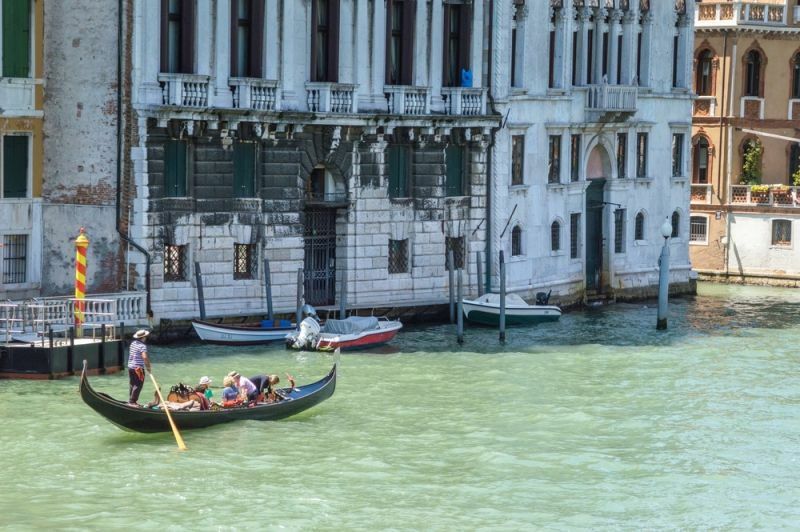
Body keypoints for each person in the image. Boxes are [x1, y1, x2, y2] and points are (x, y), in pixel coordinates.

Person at [127, 329, 152, 406]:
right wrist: (148, 367)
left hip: (130, 367)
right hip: (138, 368)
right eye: (146, 337)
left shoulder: (133, 343)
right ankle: (132, 401)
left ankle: (131, 400)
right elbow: (144, 357)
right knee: (138, 384)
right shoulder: (142, 346)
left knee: (132, 384)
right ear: (144, 337)